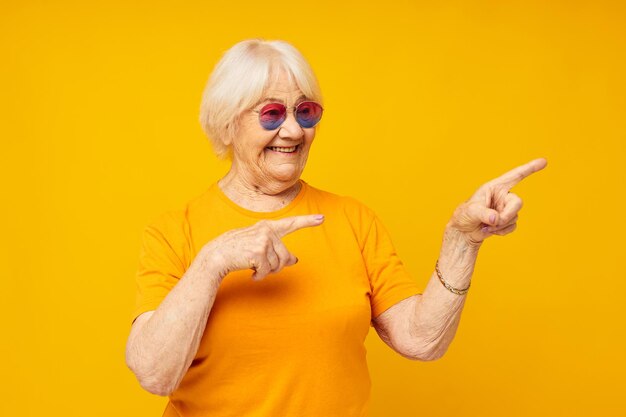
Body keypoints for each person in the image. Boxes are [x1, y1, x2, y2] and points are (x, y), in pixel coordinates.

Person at [124, 39, 547, 417]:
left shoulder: (353, 219)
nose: (293, 130)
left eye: (305, 112)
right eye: (271, 114)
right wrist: (213, 261)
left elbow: (422, 340)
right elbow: (154, 374)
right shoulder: (173, 231)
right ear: (226, 123)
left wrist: (464, 239)